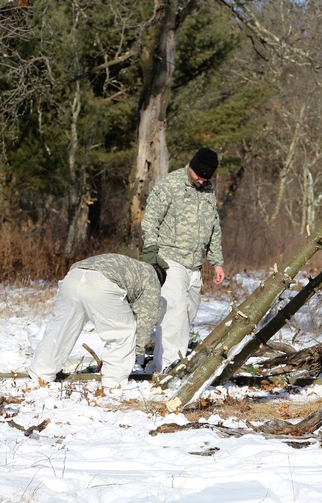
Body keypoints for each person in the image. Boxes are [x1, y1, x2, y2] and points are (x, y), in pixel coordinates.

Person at [140, 147, 226, 371]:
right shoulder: (170, 184)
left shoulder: (208, 190)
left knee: (187, 316)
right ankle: (169, 368)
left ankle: (168, 363)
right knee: (172, 317)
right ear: (192, 165)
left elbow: (214, 227)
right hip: (170, 260)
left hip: (195, 265)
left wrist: (217, 262)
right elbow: (150, 221)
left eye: (206, 177)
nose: (201, 180)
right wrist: (151, 254)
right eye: (198, 174)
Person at [29, 254, 167, 387]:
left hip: (73, 277)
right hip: (100, 284)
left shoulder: (132, 266)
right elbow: (146, 319)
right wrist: (136, 350)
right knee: (122, 332)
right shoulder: (152, 278)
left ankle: (41, 374)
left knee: (60, 330)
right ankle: (114, 383)